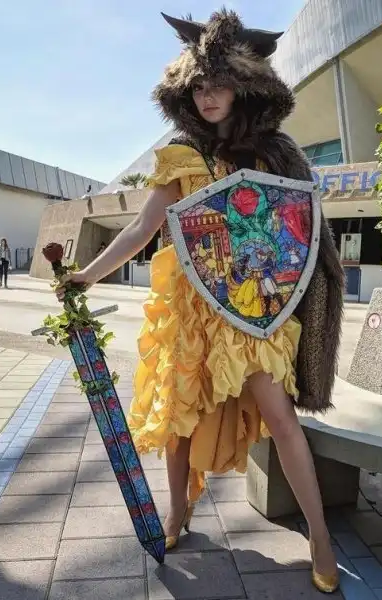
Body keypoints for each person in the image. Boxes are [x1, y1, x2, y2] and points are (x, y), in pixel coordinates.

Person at [56, 9, 344, 592]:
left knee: (281, 417)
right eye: (198, 87)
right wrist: (86, 275)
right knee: (179, 420)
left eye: (218, 85)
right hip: (192, 309)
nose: (207, 97)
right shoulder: (181, 157)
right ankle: (175, 513)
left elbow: (300, 233)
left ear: (241, 87)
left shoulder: (275, 156)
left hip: (253, 307)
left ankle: (320, 536)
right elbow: (141, 229)